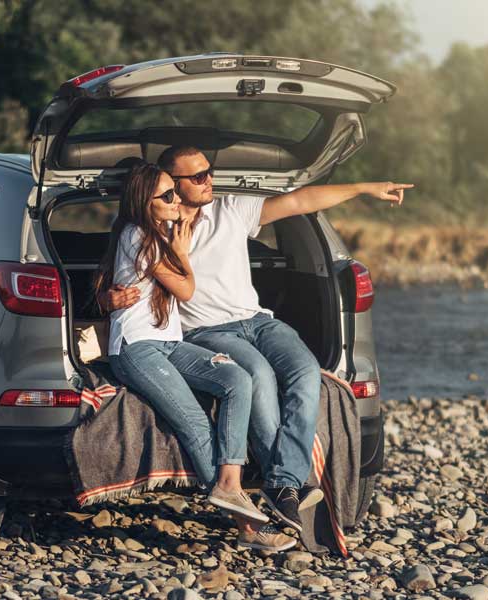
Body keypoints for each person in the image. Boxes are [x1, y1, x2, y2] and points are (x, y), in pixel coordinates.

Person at [106, 146, 413, 534]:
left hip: (258, 320)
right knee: (259, 374)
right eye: (197, 177)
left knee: (304, 370)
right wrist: (109, 297)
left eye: (209, 171)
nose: (209, 181)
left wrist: (368, 187)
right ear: (171, 184)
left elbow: (301, 200)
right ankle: (284, 485)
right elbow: (134, 277)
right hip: (207, 331)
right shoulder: (155, 227)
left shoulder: (230, 209)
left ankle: (284, 483)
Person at [96, 162, 296, 552]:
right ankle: (248, 527)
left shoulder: (156, 234)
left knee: (238, 379)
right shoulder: (140, 236)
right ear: (145, 202)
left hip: (169, 344)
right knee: (193, 420)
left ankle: (229, 483)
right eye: (167, 195)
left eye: (175, 192)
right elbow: (186, 289)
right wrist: (181, 253)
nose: (176, 200)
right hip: (137, 348)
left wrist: (176, 245)